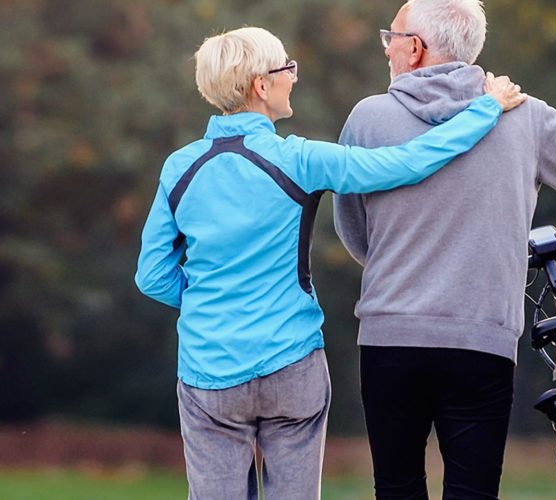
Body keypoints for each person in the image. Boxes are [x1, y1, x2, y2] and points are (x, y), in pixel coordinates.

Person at [135, 26, 526, 500]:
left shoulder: (180, 168)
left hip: (207, 373)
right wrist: (485, 109)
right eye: (286, 69)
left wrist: (208, 302)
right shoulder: (298, 159)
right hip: (292, 365)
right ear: (261, 85)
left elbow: (152, 274)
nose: (292, 78)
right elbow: (407, 162)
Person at [332, 2, 556, 499]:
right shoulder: (523, 116)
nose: (387, 48)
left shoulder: (367, 120)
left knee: (397, 487)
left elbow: (353, 228)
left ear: (414, 49)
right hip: (482, 341)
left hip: (391, 338)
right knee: (473, 490)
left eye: (389, 37)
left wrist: (398, 268)